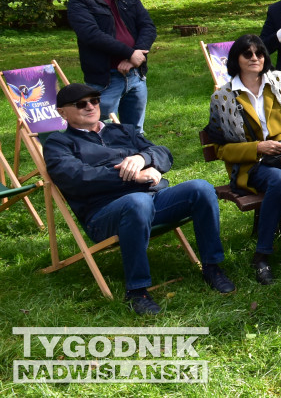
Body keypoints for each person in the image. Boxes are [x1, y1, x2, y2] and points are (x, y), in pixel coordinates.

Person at [44, 83, 235, 315]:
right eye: (80, 104)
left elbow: (164, 154)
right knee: (137, 202)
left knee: (202, 188)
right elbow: (77, 178)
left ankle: (212, 267)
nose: (90, 106)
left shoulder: (121, 130)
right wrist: (136, 176)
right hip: (104, 213)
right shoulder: (59, 143)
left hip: (153, 199)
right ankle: (137, 291)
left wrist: (143, 157)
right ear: (62, 112)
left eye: (94, 100)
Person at [204, 35, 281, 285]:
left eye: (259, 53)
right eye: (247, 54)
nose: (254, 58)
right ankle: (262, 256)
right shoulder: (223, 98)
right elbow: (220, 148)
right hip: (252, 166)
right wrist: (257, 148)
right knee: (279, 180)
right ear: (236, 60)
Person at [67, 0, 156, 133]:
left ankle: (139, 160)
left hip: (135, 74)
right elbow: (91, 35)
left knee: (135, 130)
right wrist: (129, 53)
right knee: (103, 132)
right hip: (105, 80)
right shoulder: (80, 1)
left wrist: (134, 57)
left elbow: (147, 26)